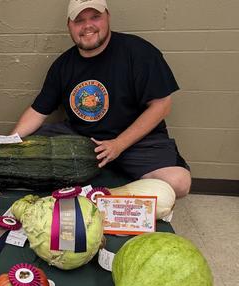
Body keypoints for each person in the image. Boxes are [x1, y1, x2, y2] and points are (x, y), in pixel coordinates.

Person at [11, 0, 191, 198]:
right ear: (69, 26)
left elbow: (162, 106)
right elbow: (38, 113)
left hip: (135, 141)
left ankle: (107, 195)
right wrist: (8, 144)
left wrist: (119, 144)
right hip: (82, 140)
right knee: (28, 147)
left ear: (108, 17)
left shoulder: (139, 52)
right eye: (79, 20)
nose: (88, 25)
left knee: (179, 182)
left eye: (95, 17)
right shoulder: (62, 65)